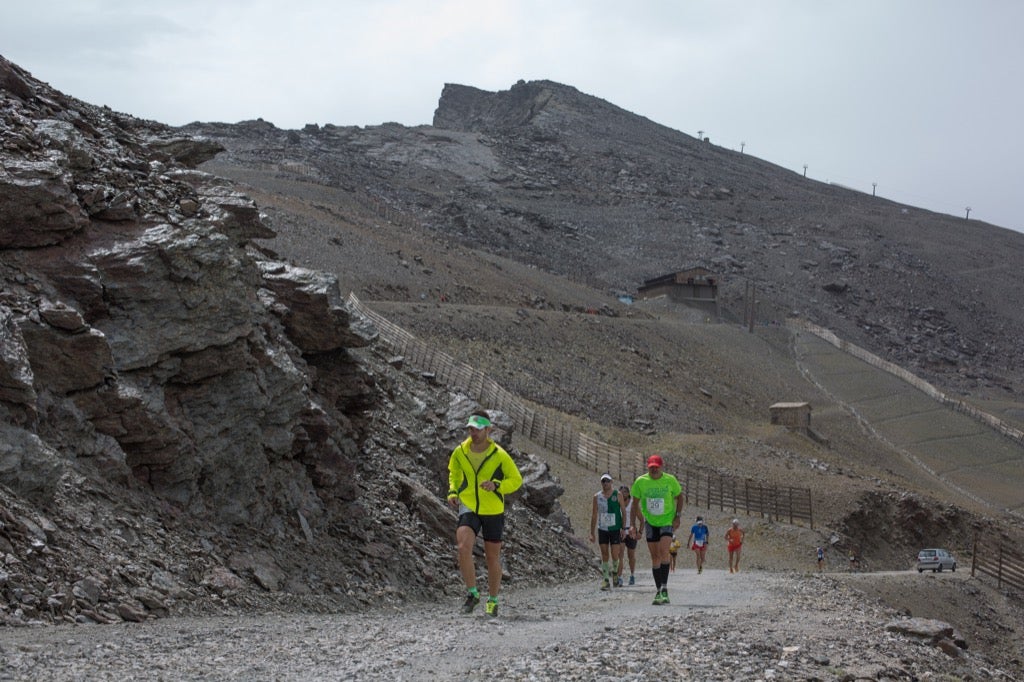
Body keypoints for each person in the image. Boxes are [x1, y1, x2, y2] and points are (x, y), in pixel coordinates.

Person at [446, 410, 523, 617]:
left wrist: (497, 485)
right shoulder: (460, 452)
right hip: (469, 504)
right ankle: (472, 593)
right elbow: (454, 472)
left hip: (493, 509)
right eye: (471, 428)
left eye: (478, 429)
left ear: (488, 429)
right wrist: (453, 490)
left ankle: (493, 599)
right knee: (463, 547)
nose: (474, 433)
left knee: (492, 557)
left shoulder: (499, 455)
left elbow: (516, 480)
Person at [631, 454, 683, 605]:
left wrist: (677, 516)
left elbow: (680, 497)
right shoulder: (641, 482)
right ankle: (658, 590)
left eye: (656, 467)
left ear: (661, 467)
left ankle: (665, 589)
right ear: (648, 467)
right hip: (651, 522)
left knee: (663, 551)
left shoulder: (670, 480)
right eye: (651, 467)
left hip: (667, 520)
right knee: (654, 557)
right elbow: (635, 503)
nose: (654, 469)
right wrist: (635, 523)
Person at [589, 473, 623, 590]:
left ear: (611, 482)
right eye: (603, 481)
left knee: (615, 554)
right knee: (604, 554)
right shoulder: (596, 497)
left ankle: (614, 574)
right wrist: (592, 532)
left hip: (615, 529)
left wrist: (624, 528)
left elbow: (622, 511)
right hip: (602, 528)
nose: (605, 483)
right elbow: (594, 515)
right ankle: (605, 579)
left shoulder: (617, 495)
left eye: (607, 481)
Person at [615, 485, 639, 586]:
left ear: (628, 493)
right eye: (621, 492)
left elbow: (640, 517)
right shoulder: (616, 503)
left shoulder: (633, 503)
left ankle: (632, 575)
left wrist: (639, 531)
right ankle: (619, 577)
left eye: (625, 492)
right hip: (621, 530)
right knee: (620, 554)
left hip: (631, 531)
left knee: (631, 555)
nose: (623, 493)